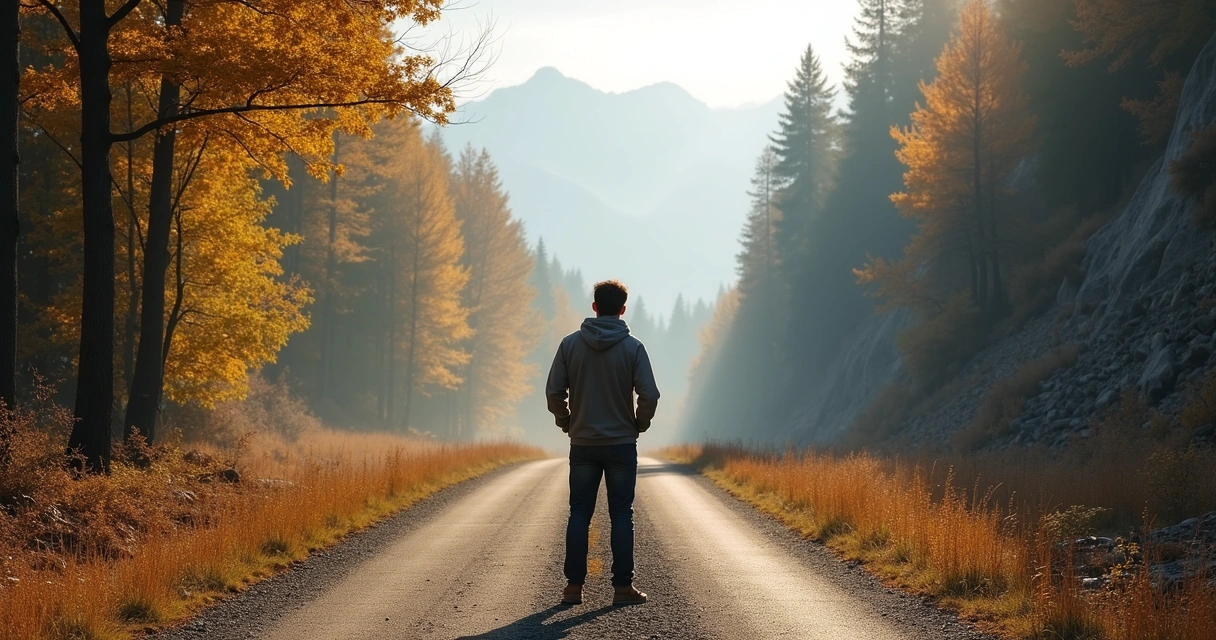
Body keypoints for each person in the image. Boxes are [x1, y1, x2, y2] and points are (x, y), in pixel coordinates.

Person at [545, 279, 660, 607]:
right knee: (621, 514)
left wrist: (567, 422)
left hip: (583, 443)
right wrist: (639, 424)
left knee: (579, 512)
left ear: (594, 306)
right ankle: (622, 589)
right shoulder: (633, 348)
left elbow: (553, 392)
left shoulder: (569, 345)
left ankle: (573, 588)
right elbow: (650, 395)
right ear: (622, 309)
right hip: (621, 443)